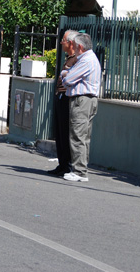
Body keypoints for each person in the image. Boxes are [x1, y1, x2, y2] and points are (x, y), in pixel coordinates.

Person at [61, 33, 101, 182]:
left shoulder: (86, 60)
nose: (74, 49)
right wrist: (68, 76)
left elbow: (68, 79)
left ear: (80, 47)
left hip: (82, 101)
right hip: (87, 100)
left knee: (77, 135)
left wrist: (65, 76)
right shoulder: (89, 59)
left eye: (76, 47)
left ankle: (79, 171)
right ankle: (80, 169)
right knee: (83, 136)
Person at [48, 30, 78, 176]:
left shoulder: (77, 59)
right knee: (60, 132)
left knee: (66, 132)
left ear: (71, 43)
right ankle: (62, 164)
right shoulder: (69, 58)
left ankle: (68, 165)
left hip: (68, 98)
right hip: (61, 96)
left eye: (64, 40)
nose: (61, 43)